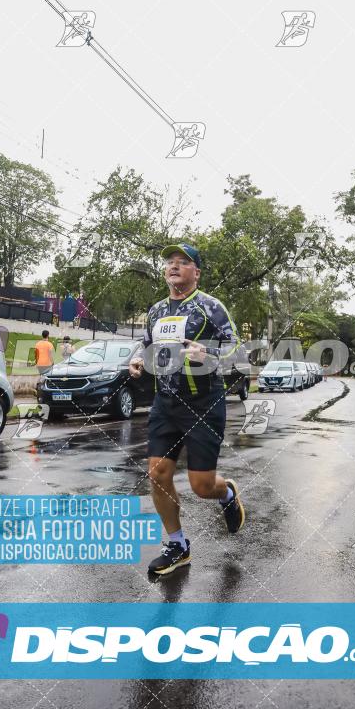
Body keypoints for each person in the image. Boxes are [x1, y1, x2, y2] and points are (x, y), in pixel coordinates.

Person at [129, 242, 245, 576]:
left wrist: (208, 352)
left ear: (197, 272)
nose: (174, 266)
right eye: (170, 262)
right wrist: (138, 360)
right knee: (157, 473)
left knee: (201, 485)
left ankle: (226, 493)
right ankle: (177, 545)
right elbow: (147, 345)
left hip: (203, 403)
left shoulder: (210, 306)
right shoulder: (156, 311)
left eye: (183, 262)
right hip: (165, 404)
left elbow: (236, 347)